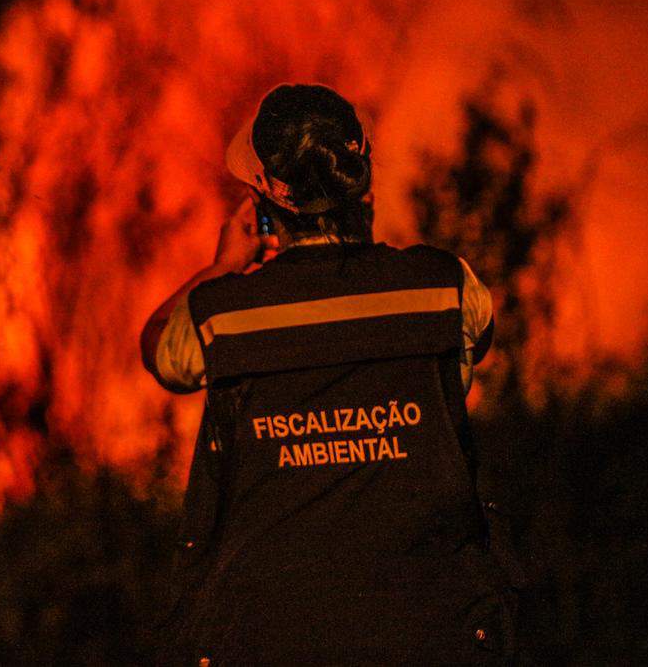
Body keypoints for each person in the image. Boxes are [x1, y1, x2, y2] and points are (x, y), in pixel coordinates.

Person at [140, 84, 518, 665]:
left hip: (275, 637)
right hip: (437, 634)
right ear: (360, 180)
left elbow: (158, 348)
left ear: (267, 191)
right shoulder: (443, 286)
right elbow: (479, 335)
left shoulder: (223, 316)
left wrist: (220, 268)